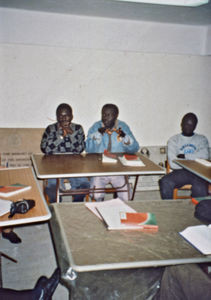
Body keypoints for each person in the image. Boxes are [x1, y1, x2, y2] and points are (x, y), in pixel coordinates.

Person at [86, 103, 139, 201]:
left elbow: (135, 148)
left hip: (118, 168)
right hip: (99, 168)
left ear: (116, 116)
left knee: (127, 195)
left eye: (108, 115)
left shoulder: (123, 126)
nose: (104, 117)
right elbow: (88, 149)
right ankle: (101, 209)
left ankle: (121, 211)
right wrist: (98, 134)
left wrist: (124, 137)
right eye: (103, 114)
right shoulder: (96, 126)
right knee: (96, 194)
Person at [40, 103, 90, 202]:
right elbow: (45, 149)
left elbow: (80, 149)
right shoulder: (50, 129)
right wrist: (61, 137)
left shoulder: (78, 128)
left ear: (72, 116)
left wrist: (71, 135)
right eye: (60, 115)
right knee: (53, 188)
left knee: (83, 185)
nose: (63, 118)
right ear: (57, 117)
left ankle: (76, 206)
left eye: (66, 115)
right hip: (54, 164)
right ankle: (57, 208)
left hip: (74, 164)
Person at [159, 112, 209, 199]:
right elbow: (173, 164)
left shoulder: (202, 139)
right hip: (181, 173)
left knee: (200, 188)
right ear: (181, 124)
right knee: (165, 181)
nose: (188, 127)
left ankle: (199, 211)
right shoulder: (174, 140)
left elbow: (205, 155)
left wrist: (184, 156)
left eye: (191, 125)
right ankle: (169, 210)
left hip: (198, 172)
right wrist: (195, 159)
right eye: (186, 124)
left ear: (195, 126)